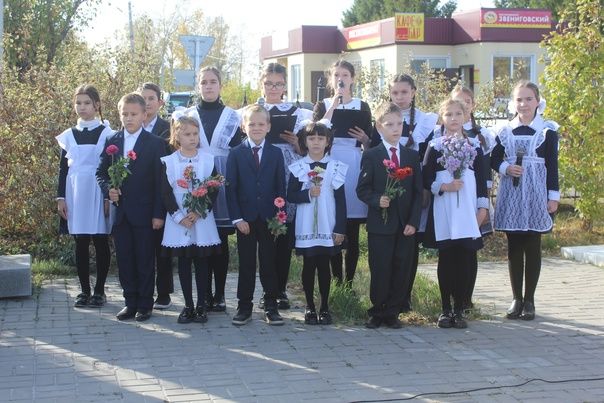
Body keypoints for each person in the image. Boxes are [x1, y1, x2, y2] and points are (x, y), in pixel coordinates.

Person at [491, 81, 559, 321]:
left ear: (537, 101)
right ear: (513, 102)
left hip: (537, 194)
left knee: (532, 245)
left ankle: (529, 299)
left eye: (529, 99)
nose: (524, 104)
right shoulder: (505, 130)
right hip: (512, 193)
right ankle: (515, 298)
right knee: (514, 247)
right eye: (519, 99)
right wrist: (506, 167)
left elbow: (552, 165)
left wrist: (553, 196)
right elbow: (494, 159)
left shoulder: (547, 130)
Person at [370, 73, 438, 313]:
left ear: (413, 92)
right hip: (386, 199)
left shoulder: (426, 121)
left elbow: (431, 156)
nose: (400, 97)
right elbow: (372, 159)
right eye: (395, 92)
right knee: (384, 258)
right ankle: (382, 304)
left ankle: (403, 299)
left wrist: (426, 188)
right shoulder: (382, 121)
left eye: (404, 92)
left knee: (407, 251)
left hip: (413, 189)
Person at [96, 93, 167, 322]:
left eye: (133, 114)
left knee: (145, 259)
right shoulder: (112, 141)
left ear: (145, 115)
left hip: (146, 213)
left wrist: (158, 214)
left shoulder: (155, 144)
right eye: (124, 114)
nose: (128, 118)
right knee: (125, 259)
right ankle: (130, 302)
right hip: (121, 213)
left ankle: (145, 304)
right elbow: (100, 173)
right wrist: (109, 189)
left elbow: (161, 182)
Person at [178, 66, 243, 312]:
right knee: (200, 240)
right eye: (203, 82)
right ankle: (202, 294)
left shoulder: (233, 116)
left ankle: (220, 294)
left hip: (222, 181)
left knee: (220, 241)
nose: (208, 86)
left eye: (213, 81)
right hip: (194, 180)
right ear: (198, 86)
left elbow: (237, 152)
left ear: (220, 85)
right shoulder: (186, 114)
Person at [422, 98, 489, 329]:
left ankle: (460, 308)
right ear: (442, 117)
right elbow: (427, 178)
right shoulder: (435, 145)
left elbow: (481, 180)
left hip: (467, 210)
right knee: (447, 258)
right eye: (448, 114)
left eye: (457, 114)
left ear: (465, 117)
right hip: (444, 209)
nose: (453, 119)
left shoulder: (474, 146)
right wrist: (443, 187)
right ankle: (445, 309)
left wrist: (483, 208)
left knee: (463, 259)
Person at [357, 102, 422, 329]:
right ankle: (377, 311)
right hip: (380, 225)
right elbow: (362, 189)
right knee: (381, 267)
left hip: (405, 226)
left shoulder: (412, 156)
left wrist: (413, 222)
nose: (396, 128)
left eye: (399, 123)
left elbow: (417, 194)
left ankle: (394, 311)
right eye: (390, 124)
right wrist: (377, 200)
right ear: (379, 126)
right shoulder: (372, 155)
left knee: (401, 267)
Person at [259, 62, 313, 310]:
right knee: (265, 235)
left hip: (289, 169)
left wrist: (296, 144)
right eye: (269, 83)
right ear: (262, 84)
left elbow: (309, 150)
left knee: (284, 235)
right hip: (262, 168)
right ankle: (267, 290)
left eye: (278, 84)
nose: (273, 88)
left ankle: (280, 289)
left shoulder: (299, 113)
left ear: (285, 86)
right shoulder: (252, 112)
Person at [226, 104, 286, 326]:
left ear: (269, 126)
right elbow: (230, 189)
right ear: (244, 126)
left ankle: (271, 305)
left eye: (261, 124)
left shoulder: (276, 153)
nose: (257, 128)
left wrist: (279, 217)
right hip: (246, 220)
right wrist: (237, 218)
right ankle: (244, 307)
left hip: (269, 219)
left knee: (269, 263)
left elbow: (281, 186)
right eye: (252, 124)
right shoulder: (236, 154)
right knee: (247, 264)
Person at [314, 59, 372, 285]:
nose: (341, 79)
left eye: (345, 75)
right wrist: (334, 106)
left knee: (352, 227)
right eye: (337, 74)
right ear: (331, 79)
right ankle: (336, 279)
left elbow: (370, 141)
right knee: (334, 222)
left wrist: (365, 139)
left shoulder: (362, 105)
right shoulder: (324, 104)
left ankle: (349, 281)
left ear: (352, 79)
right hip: (331, 159)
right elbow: (317, 130)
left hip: (353, 161)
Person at [160, 115, 221, 324]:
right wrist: (178, 217)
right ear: (177, 135)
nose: (192, 138)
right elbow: (166, 192)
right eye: (187, 134)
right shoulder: (168, 162)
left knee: (202, 262)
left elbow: (213, 188)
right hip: (179, 219)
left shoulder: (207, 159)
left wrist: (199, 211)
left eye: (195, 134)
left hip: (201, 218)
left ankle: (202, 305)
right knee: (184, 263)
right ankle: (188, 305)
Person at [56, 84, 113, 308]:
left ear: (96, 105)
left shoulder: (108, 134)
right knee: (80, 241)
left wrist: (109, 197)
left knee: (100, 240)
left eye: (87, 103)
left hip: (99, 191)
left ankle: (100, 290)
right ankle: (84, 290)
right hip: (76, 192)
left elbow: (112, 167)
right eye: (78, 103)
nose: (82, 107)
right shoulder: (68, 135)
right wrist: (60, 197)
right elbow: (63, 169)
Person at [287, 122, 347, 325]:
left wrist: (340, 228)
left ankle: (325, 307)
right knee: (309, 264)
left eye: (321, 139)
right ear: (304, 141)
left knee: (324, 265)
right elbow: (291, 195)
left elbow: (341, 200)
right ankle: (309, 306)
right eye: (311, 138)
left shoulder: (336, 166)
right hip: (305, 223)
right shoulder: (299, 167)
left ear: (328, 142)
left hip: (327, 221)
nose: (316, 142)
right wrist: (307, 193)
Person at [451, 85, 496, 310]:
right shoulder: (441, 133)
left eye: (466, 102)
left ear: (472, 105)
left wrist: (483, 203)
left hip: (473, 197)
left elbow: (485, 170)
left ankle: (466, 298)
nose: (462, 106)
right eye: (457, 102)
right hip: (450, 196)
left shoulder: (480, 135)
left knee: (470, 247)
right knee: (450, 249)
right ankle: (450, 297)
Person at [138, 82, 174, 311]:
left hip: (161, 191)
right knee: (142, 248)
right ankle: (144, 292)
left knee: (162, 246)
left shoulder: (166, 128)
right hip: (138, 195)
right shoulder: (130, 126)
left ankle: (163, 292)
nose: (147, 103)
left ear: (160, 102)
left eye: (151, 98)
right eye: (143, 99)